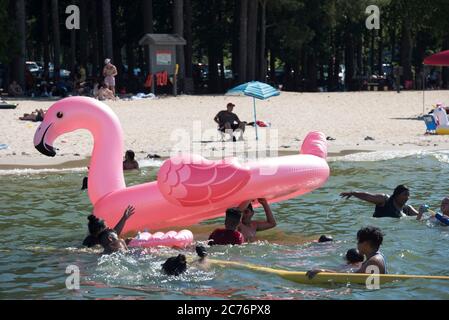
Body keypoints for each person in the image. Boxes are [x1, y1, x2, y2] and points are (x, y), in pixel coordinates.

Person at [307, 226, 387, 279]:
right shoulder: (378, 256)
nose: (357, 245)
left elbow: (349, 278)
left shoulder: (374, 261)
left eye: (358, 242)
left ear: (365, 244)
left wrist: (323, 271)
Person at [340, 185, 419, 218]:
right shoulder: (384, 200)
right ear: (396, 195)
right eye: (405, 195)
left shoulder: (408, 209)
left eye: (408, 195)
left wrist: (423, 213)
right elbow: (368, 196)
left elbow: (420, 218)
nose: (407, 197)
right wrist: (353, 193)